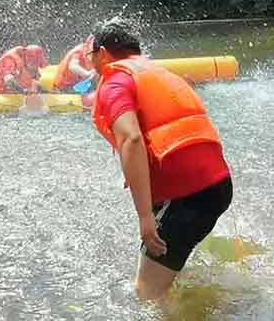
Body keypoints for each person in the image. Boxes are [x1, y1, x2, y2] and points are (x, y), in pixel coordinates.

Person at [89, 19, 232, 302]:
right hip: (218, 186)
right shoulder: (160, 73)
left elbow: (131, 139)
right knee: (170, 274)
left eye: (90, 53)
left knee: (146, 294)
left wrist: (144, 217)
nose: (88, 59)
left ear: (103, 52)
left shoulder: (115, 82)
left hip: (186, 196)